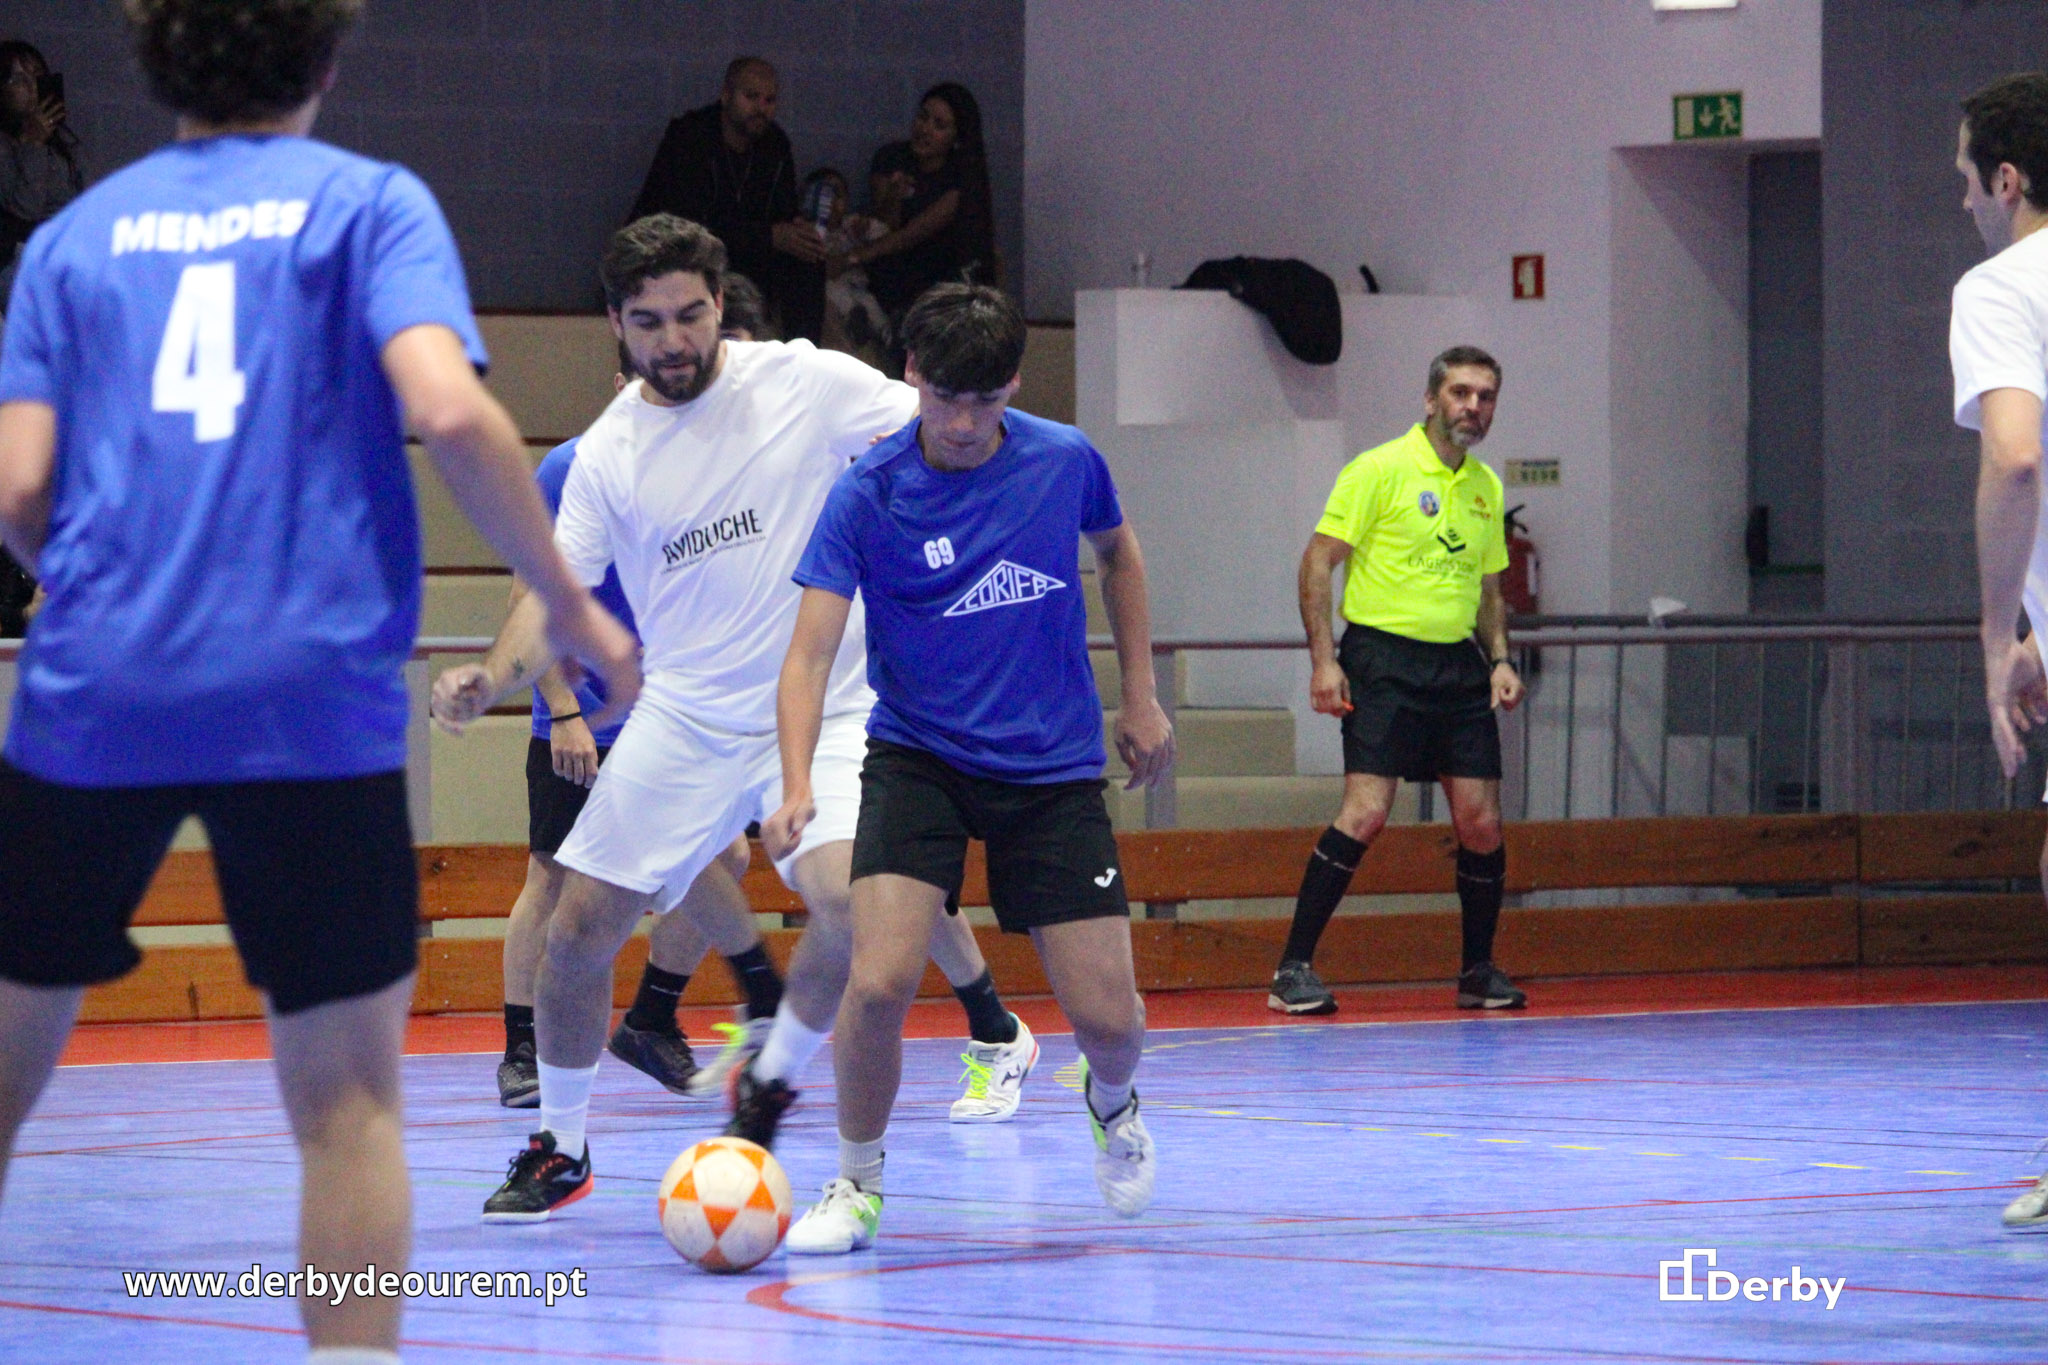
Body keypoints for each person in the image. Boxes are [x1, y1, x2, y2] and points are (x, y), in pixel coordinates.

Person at [0, 3, 639, 1362]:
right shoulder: (369, 207)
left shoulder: (71, 240)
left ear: (154, 62)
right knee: (350, 1109)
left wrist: (93, 576)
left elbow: (18, 488)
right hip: (306, 698)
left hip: (95, 689)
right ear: (328, 63)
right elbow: (454, 412)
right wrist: (570, 605)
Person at [431, 215, 1036, 1225]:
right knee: (577, 933)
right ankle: (563, 1147)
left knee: (848, 907)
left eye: (691, 314)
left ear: (720, 306)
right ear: (614, 326)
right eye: (647, 321)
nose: (672, 339)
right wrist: (489, 676)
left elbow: (945, 425)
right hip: (686, 717)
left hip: (833, 709)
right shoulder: (609, 453)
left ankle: (781, 1076)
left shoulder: (805, 382)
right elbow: (548, 591)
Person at [764, 282, 1174, 1255]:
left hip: (1051, 765)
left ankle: (1110, 1106)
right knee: (875, 985)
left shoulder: (1064, 459)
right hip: (919, 756)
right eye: (943, 396)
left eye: (982, 400)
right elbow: (809, 654)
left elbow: (1118, 555)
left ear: (1010, 386)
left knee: (1110, 1020)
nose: (959, 421)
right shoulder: (865, 495)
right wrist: (792, 783)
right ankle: (857, 1183)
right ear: (910, 374)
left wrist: (1142, 695)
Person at [489, 351, 754, 1110]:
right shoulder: (571, 468)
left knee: (725, 854)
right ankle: (523, 1048)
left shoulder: (705, 474)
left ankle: (650, 1018)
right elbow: (526, 598)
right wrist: (563, 713)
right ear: (617, 384)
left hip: (671, 715)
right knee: (554, 875)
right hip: (583, 716)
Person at [1269, 346, 1527, 1017]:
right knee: (1367, 811)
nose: (1473, 406)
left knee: (1481, 820)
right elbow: (1318, 561)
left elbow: (1490, 589)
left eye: (1486, 396)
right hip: (1382, 659)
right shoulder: (1378, 469)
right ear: (1432, 398)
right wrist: (1324, 660)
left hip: (1455, 666)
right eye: (1462, 392)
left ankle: (1477, 970)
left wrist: (1499, 657)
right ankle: (1292, 967)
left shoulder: (1486, 488)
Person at [1951, 70, 2048, 1231]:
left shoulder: (2000, 284)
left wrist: (1991, 634)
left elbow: (2015, 456)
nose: (1962, 204)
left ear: (2005, 180)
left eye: (1964, 181)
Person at [629, 58, 825, 343]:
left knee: (808, 259)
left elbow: (783, 213)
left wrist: (799, 234)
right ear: (726, 95)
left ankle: (804, 357)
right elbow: (685, 227)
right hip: (682, 253)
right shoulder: (690, 138)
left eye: (769, 100)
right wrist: (769, 236)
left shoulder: (775, 144)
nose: (761, 108)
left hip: (746, 252)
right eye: (751, 97)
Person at [836, 84, 996, 349]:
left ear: (955, 137)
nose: (925, 129)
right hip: (889, 272)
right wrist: (893, 197)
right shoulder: (891, 157)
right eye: (923, 117)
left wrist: (852, 258)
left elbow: (913, 234)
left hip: (936, 278)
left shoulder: (961, 177)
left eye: (939, 125)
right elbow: (884, 225)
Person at [0, 40, 84, 324]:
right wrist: (32, 144)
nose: (32, 86)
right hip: (20, 259)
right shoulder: (7, 145)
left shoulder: (60, 141)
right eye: (18, 79)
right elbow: (24, 211)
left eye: (37, 75)